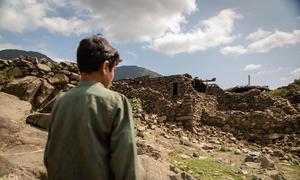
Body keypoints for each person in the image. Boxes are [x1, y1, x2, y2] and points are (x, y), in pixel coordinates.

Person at [44, 35, 138, 180]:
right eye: (114, 69)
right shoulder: (117, 102)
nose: (114, 75)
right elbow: (126, 164)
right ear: (105, 67)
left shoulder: (60, 102)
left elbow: (49, 155)